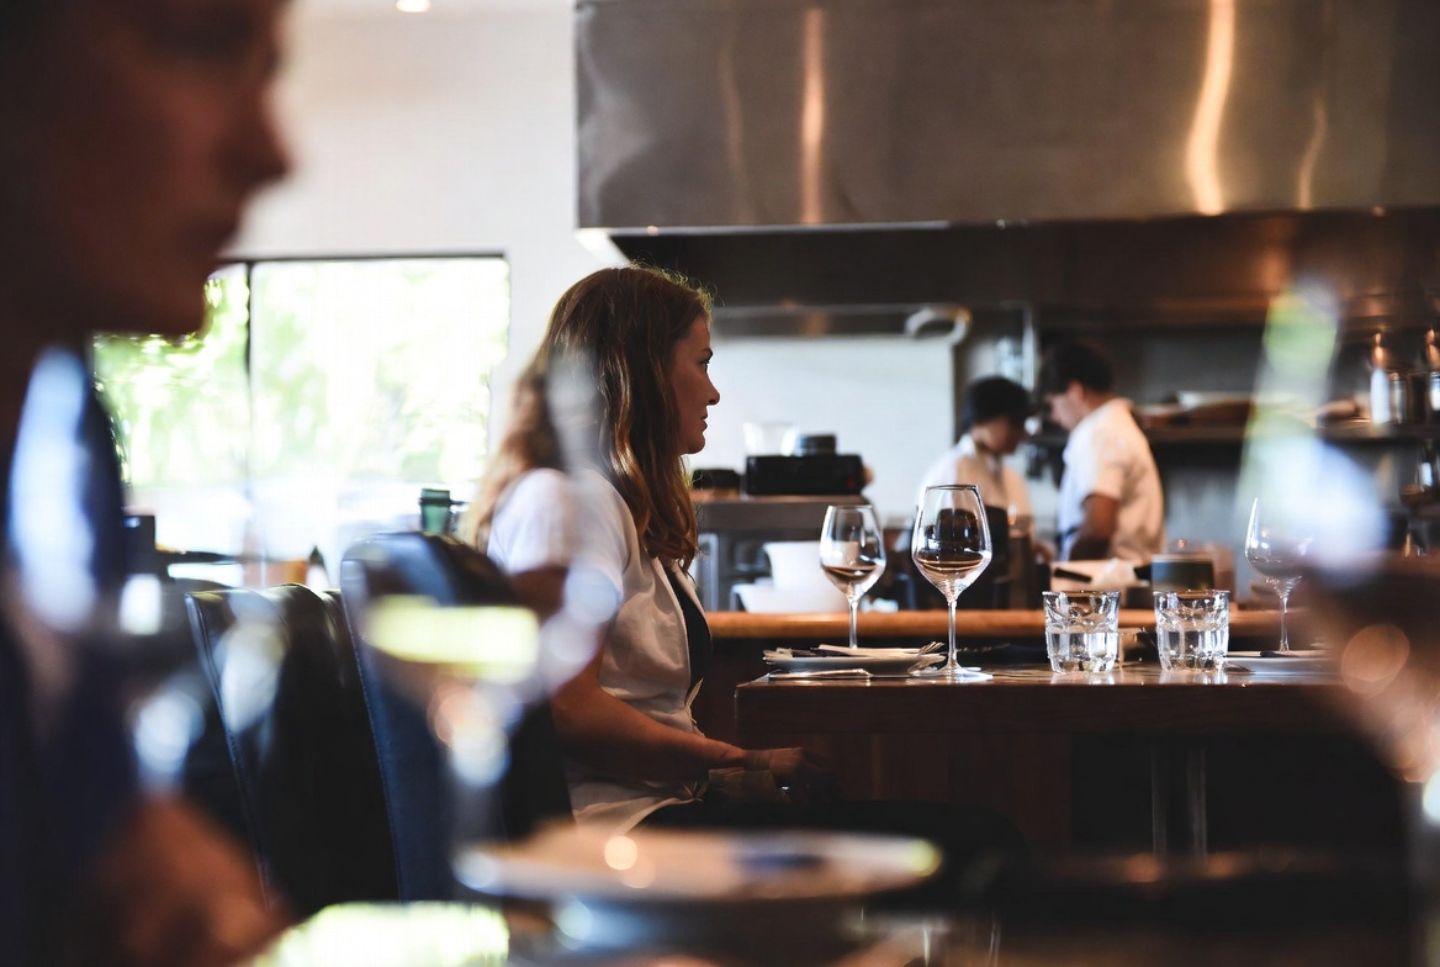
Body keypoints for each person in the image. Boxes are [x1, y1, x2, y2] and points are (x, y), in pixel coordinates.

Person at [0, 0, 291, 962]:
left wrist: (134, 844)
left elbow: (106, 830)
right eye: (200, 42)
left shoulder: (62, 418)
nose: (272, 150)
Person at [465, 266, 829, 832]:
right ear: (641, 370)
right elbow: (566, 709)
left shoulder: (604, 501)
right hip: (618, 832)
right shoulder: (569, 501)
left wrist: (727, 775)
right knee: (971, 846)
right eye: (702, 363)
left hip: (657, 809)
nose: (712, 391)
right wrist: (738, 760)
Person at [1039, 340, 1164, 562]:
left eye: (1052, 405)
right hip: (1124, 580)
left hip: (1106, 585)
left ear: (1075, 392)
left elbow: (1099, 527)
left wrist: (1066, 570)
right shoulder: (1116, 424)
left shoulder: (1099, 432)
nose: (1055, 417)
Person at [916, 375, 1033, 520]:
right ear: (983, 418)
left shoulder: (1007, 474)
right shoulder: (957, 470)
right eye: (1015, 423)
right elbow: (956, 538)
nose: (1023, 433)